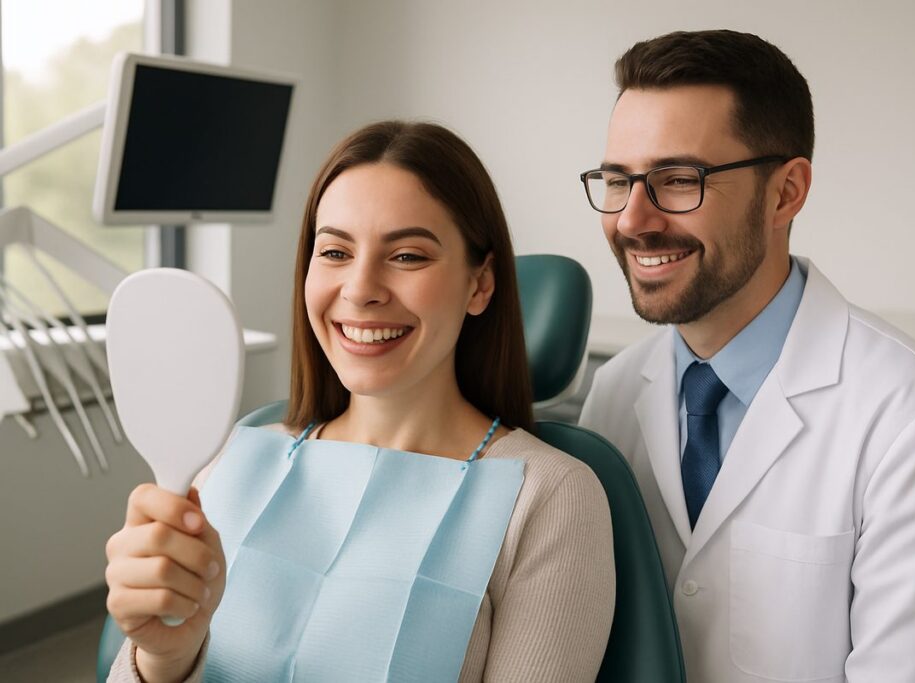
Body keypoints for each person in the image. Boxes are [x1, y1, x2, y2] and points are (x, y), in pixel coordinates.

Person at [105, 121, 615, 682]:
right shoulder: (230, 464)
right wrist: (164, 660)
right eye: (334, 251)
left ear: (480, 284)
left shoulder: (551, 497)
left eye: (408, 256)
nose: (360, 288)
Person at [578, 29, 915, 682]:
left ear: (785, 193)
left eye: (679, 180)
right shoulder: (613, 395)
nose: (633, 219)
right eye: (618, 181)